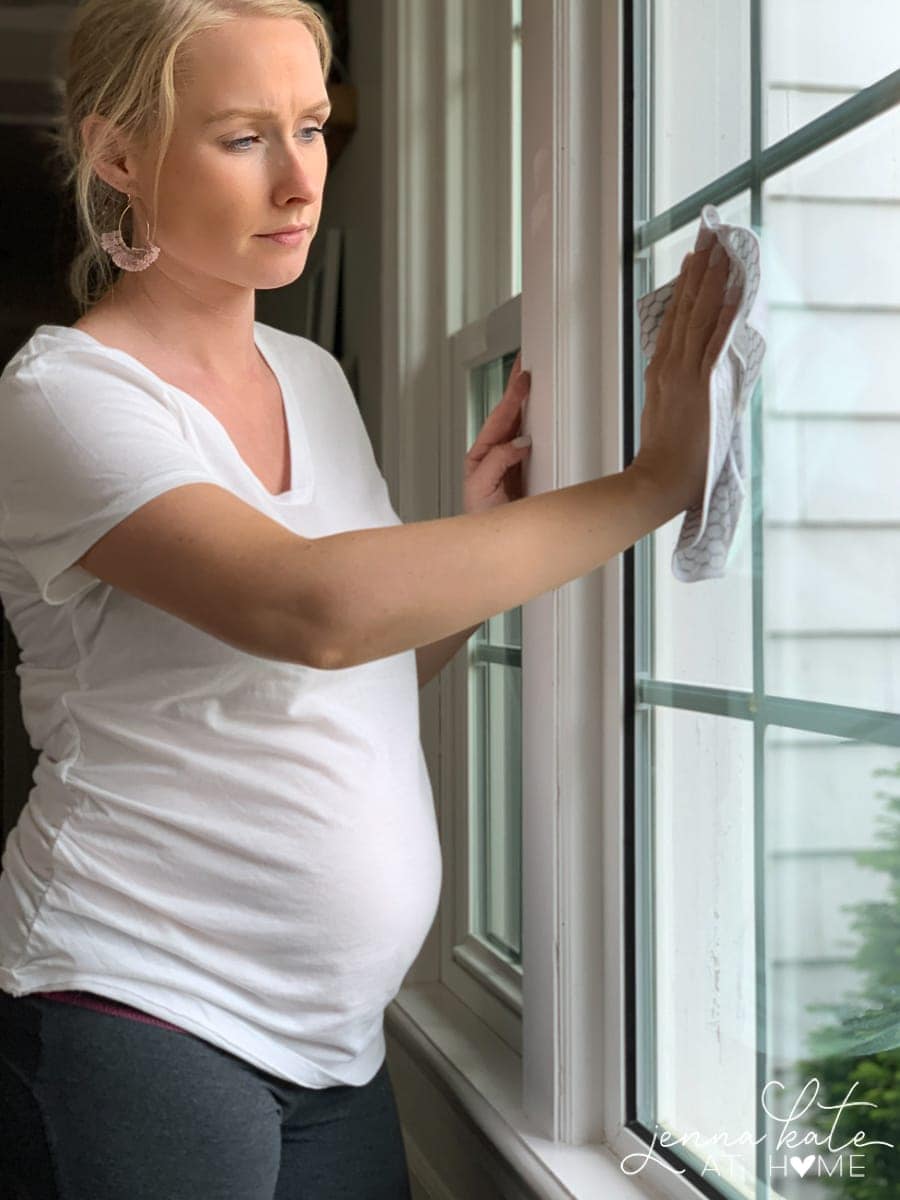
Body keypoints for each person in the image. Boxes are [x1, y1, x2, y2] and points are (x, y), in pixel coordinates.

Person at [0, 1, 740, 1197]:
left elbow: (348, 671)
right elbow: (310, 610)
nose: (299, 181)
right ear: (120, 154)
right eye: (244, 138)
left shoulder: (313, 376)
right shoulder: (60, 400)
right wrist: (653, 484)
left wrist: (483, 545)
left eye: (311, 126)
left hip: (338, 1043)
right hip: (140, 1004)